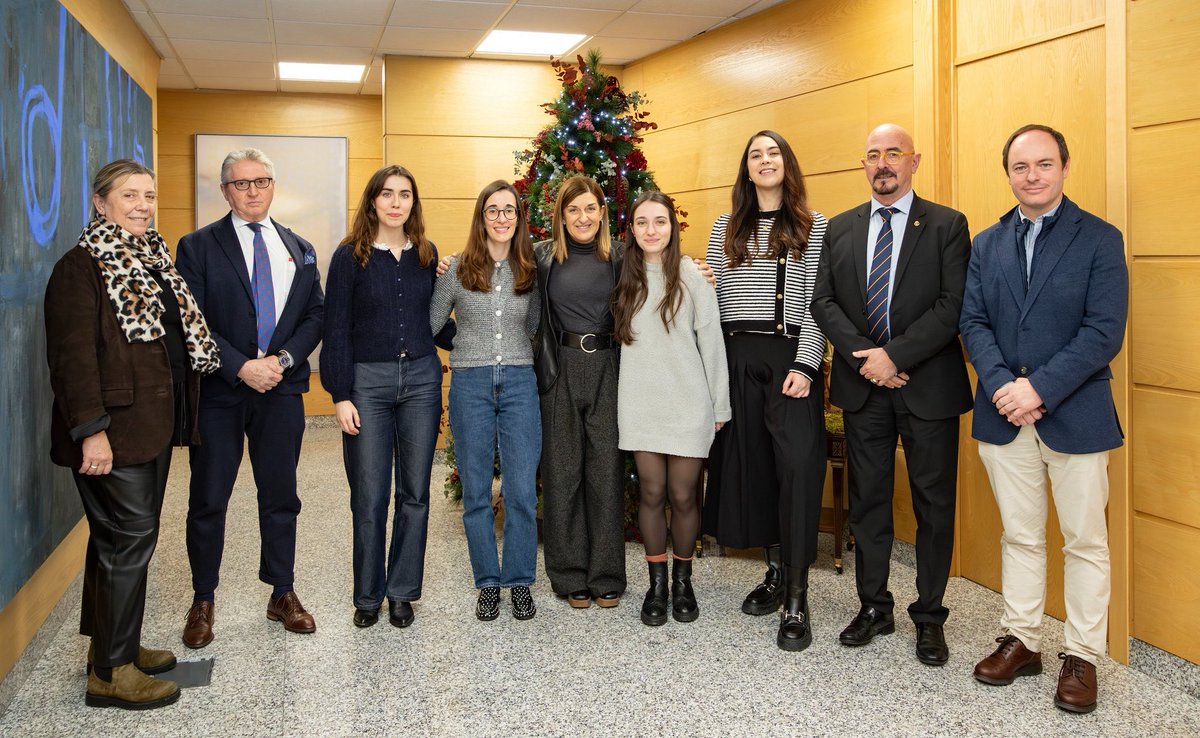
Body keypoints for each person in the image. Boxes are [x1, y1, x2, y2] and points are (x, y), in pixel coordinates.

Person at [961, 124, 1127, 714]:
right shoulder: (986, 242)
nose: (1032, 175)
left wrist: (1040, 389)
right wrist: (1006, 387)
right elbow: (973, 322)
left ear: (1064, 166)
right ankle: (1023, 639)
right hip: (1004, 414)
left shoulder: (1100, 239)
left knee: (1085, 540)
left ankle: (1082, 654)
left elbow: (1104, 330)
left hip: (1074, 414)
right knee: (1021, 535)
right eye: (1020, 166)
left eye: (1043, 164)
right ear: (1007, 173)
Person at [44, 159, 220, 709]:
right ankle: (111, 674)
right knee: (129, 541)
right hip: (112, 433)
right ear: (100, 203)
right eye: (129, 195)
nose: (143, 205)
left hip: (149, 428)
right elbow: (72, 360)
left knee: (117, 542)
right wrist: (92, 433)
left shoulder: (150, 261)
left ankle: (113, 648)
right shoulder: (82, 266)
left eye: (148, 195)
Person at [810, 123, 972, 666]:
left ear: (914, 162)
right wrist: (869, 360)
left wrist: (895, 357)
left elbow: (952, 306)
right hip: (864, 389)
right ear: (864, 165)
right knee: (869, 502)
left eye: (894, 154)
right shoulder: (840, 228)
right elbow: (824, 301)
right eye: (873, 154)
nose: (884, 163)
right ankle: (874, 606)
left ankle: (929, 617)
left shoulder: (948, 225)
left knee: (933, 504)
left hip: (927, 386)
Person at [175, 148, 324, 647]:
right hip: (221, 391)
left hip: (281, 391)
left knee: (281, 495)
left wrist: (279, 363)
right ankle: (203, 600)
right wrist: (242, 365)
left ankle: (282, 592)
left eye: (262, 181)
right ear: (225, 191)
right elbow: (192, 321)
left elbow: (315, 317)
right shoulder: (197, 247)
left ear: (273, 185)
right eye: (242, 184)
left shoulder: (299, 247)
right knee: (209, 497)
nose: (253, 190)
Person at [701, 130, 828, 651]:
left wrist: (808, 364)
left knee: (797, 469)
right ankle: (775, 575)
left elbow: (823, 302)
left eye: (773, 151)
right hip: (735, 359)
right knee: (753, 468)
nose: (765, 160)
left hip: (790, 359)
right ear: (746, 170)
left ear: (787, 163)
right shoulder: (724, 228)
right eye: (755, 154)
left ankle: (798, 598)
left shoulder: (813, 227)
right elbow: (708, 307)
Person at [320, 165, 451, 629]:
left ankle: (402, 592)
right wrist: (340, 394)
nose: (396, 203)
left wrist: (470, 291)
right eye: (387, 194)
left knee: (415, 492)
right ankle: (368, 594)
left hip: (420, 380)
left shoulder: (425, 256)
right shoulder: (347, 258)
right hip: (366, 386)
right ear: (372, 201)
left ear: (414, 203)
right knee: (370, 495)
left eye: (405, 195)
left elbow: (440, 324)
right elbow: (334, 329)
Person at [613, 191, 730, 627]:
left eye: (659, 222)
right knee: (650, 492)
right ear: (632, 230)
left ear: (673, 227)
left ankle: (684, 581)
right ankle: (656, 584)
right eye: (642, 222)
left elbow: (712, 342)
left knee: (683, 494)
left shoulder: (692, 275)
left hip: (689, 401)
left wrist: (720, 403)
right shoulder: (623, 275)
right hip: (640, 401)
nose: (651, 230)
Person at [430, 180, 541, 622]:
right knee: (475, 491)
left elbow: (533, 327)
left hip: (519, 384)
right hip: (470, 387)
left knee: (519, 491)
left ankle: (519, 582)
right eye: (493, 210)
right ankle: (488, 583)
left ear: (518, 217)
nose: (501, 218)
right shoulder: (456, 269)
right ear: (481, 217)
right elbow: (433, 323)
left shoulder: (529, 269)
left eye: (509, 210)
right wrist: (469, 347)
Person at [533, 175, 627, 608]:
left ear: (602, 213)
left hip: (609, 366)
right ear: (561, 217)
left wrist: (699, 268)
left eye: (590, 208)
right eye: (573, 210)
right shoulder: (542, 257)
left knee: (606, 473)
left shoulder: (621, 257)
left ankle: (606, 573)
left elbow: (666, 268)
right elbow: (493, 265)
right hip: (560, 369)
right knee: (562, 473)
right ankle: (569, 573)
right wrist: (450, 263)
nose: (582, 217)